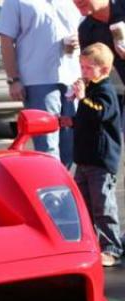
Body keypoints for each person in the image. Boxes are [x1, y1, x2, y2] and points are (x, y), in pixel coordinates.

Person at [0, 0, 82, 168]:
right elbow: (6, 40)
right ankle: (53, 188)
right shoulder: (15, 2)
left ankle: (62, 183)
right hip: (38, 80)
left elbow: (85, 26)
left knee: (72, 144)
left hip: (73, 78)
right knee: (47, 145)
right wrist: (13, 79)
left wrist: (80, 40)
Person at [61, 43, 123, 266]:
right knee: (83, 204)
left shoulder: (105, 91)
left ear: (104, 70)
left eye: (89, 68)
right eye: (82, 67)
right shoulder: (92, 89)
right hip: (85, 159)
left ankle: (112, 247)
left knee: (103, 206)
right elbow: (87, 119)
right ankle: (89, 243)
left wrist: (82, 98)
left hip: (101, 160)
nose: (84, 71)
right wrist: (72, 121)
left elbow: (99, 114)